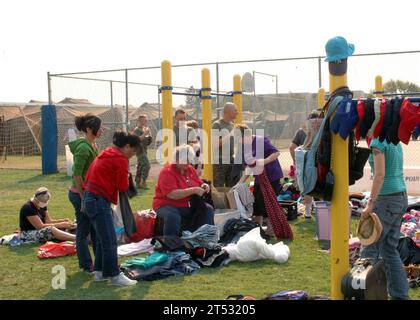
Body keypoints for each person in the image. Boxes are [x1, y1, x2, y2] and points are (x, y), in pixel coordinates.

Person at [83, 131, 140, 286]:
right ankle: (115, 275)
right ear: (127, 146)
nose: (133, 155)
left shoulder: (107, 152)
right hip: (98, 200)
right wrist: (127, 177)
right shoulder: (120, 158)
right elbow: (122, 186)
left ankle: (100, 272)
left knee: (103, 239)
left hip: (90, 198)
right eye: (133, 151)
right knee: (109, 240)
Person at [360, 137, 409, 300]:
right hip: (400, 197)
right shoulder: (393, 138)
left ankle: (365, 294)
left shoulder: (377, 142)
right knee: (389, 250)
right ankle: (400, 295)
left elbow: (380, 174)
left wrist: (370, 203)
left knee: (368, 248)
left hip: (386, 199)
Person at [153, 145, 214, 236]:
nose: (188, 163)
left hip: (186, 204)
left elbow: (198, 182)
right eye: (185, 160)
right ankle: (171, 244)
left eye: (189, 160)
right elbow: (172, 194)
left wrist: (203, 185)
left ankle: (204, 237)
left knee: (208, 209)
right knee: (173, 216)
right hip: (165, 204)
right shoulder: (167, 172)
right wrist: (194, 190)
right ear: (176, 160)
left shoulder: (190, 169)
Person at [68, 113, 102, 273]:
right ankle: (86, 263)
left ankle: (99, 261)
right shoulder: (82, 148)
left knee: (95, 230)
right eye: (98, 128)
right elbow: (77, 175)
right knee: (83, 231)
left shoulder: (94, 145)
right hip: (79, 194)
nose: (101, 131)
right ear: (89, 129)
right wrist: (83, 199)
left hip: (90, 194)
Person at [235, 124, 283, 230]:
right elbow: (249, 166)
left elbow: (276, 153)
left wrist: (264, 161)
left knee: (268, 204)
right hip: (259, 178)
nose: (237, 140)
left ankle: (271, 231)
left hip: (272, 176)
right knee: (257, 205)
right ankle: (258, 230)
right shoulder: (245, 147)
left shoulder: (261, 141)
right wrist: (240, 183)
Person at [212, 102, 239, 187]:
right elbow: (216, 144)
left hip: (231, 159)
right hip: (220, 161)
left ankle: (229, 201)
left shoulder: (232, 125)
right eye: (235, 110)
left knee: (231, 187)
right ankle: (219, 201)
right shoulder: (217, 124)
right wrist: (231, 134)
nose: (237, 112)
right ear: (227, 111)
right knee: (219, 188)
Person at [132, 114, 152, 190]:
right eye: (144, 120)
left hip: (144, 149)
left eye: (146, 120)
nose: (145, 122)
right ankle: (143, 182)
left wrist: (149, 137)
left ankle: (137, 183)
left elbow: (146, 141)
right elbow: (138, 139)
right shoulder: (137, 129)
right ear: (139, 121)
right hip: (139, 150)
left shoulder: (144, 129)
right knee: (147, 165)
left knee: (140, 166)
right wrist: (145, 133)